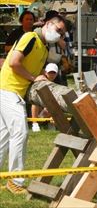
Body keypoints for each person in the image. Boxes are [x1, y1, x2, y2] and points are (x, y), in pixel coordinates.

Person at [0, 16, 66, 194]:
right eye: (58, 29)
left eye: (62, 33)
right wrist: (33, 78)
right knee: (20, 133)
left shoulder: (44, 49)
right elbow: (14, 62)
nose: (59, 34)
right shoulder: (31, 38)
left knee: (4, 138)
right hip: (8, 90)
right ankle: (15, 182)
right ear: (47, 24)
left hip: (12, 91)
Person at [31, 63, 59, 132]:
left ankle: (51, 123)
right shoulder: (40, 79)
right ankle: (35, 123)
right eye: (50, 72)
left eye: (54, 73)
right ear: (45, 72)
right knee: (35, 102)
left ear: (57, 73)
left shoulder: (59, 82)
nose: (52, 75)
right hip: (38, 104)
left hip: (48, 105)